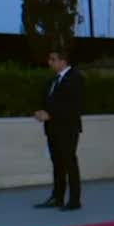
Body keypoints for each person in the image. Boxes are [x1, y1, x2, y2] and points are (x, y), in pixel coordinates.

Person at [33, 46, 84, 212]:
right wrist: (40, 111)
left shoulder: (75, 78)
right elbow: (47, 100)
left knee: (69, 163)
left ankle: (74, 200)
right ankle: (57, 197)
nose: (49, 62)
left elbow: (74, 105)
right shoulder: (53, 80)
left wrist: (50, 114)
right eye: (49, 59)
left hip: (67, 129)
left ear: (63, 61)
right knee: (57, 164)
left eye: (53, 59)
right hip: (52, 129)